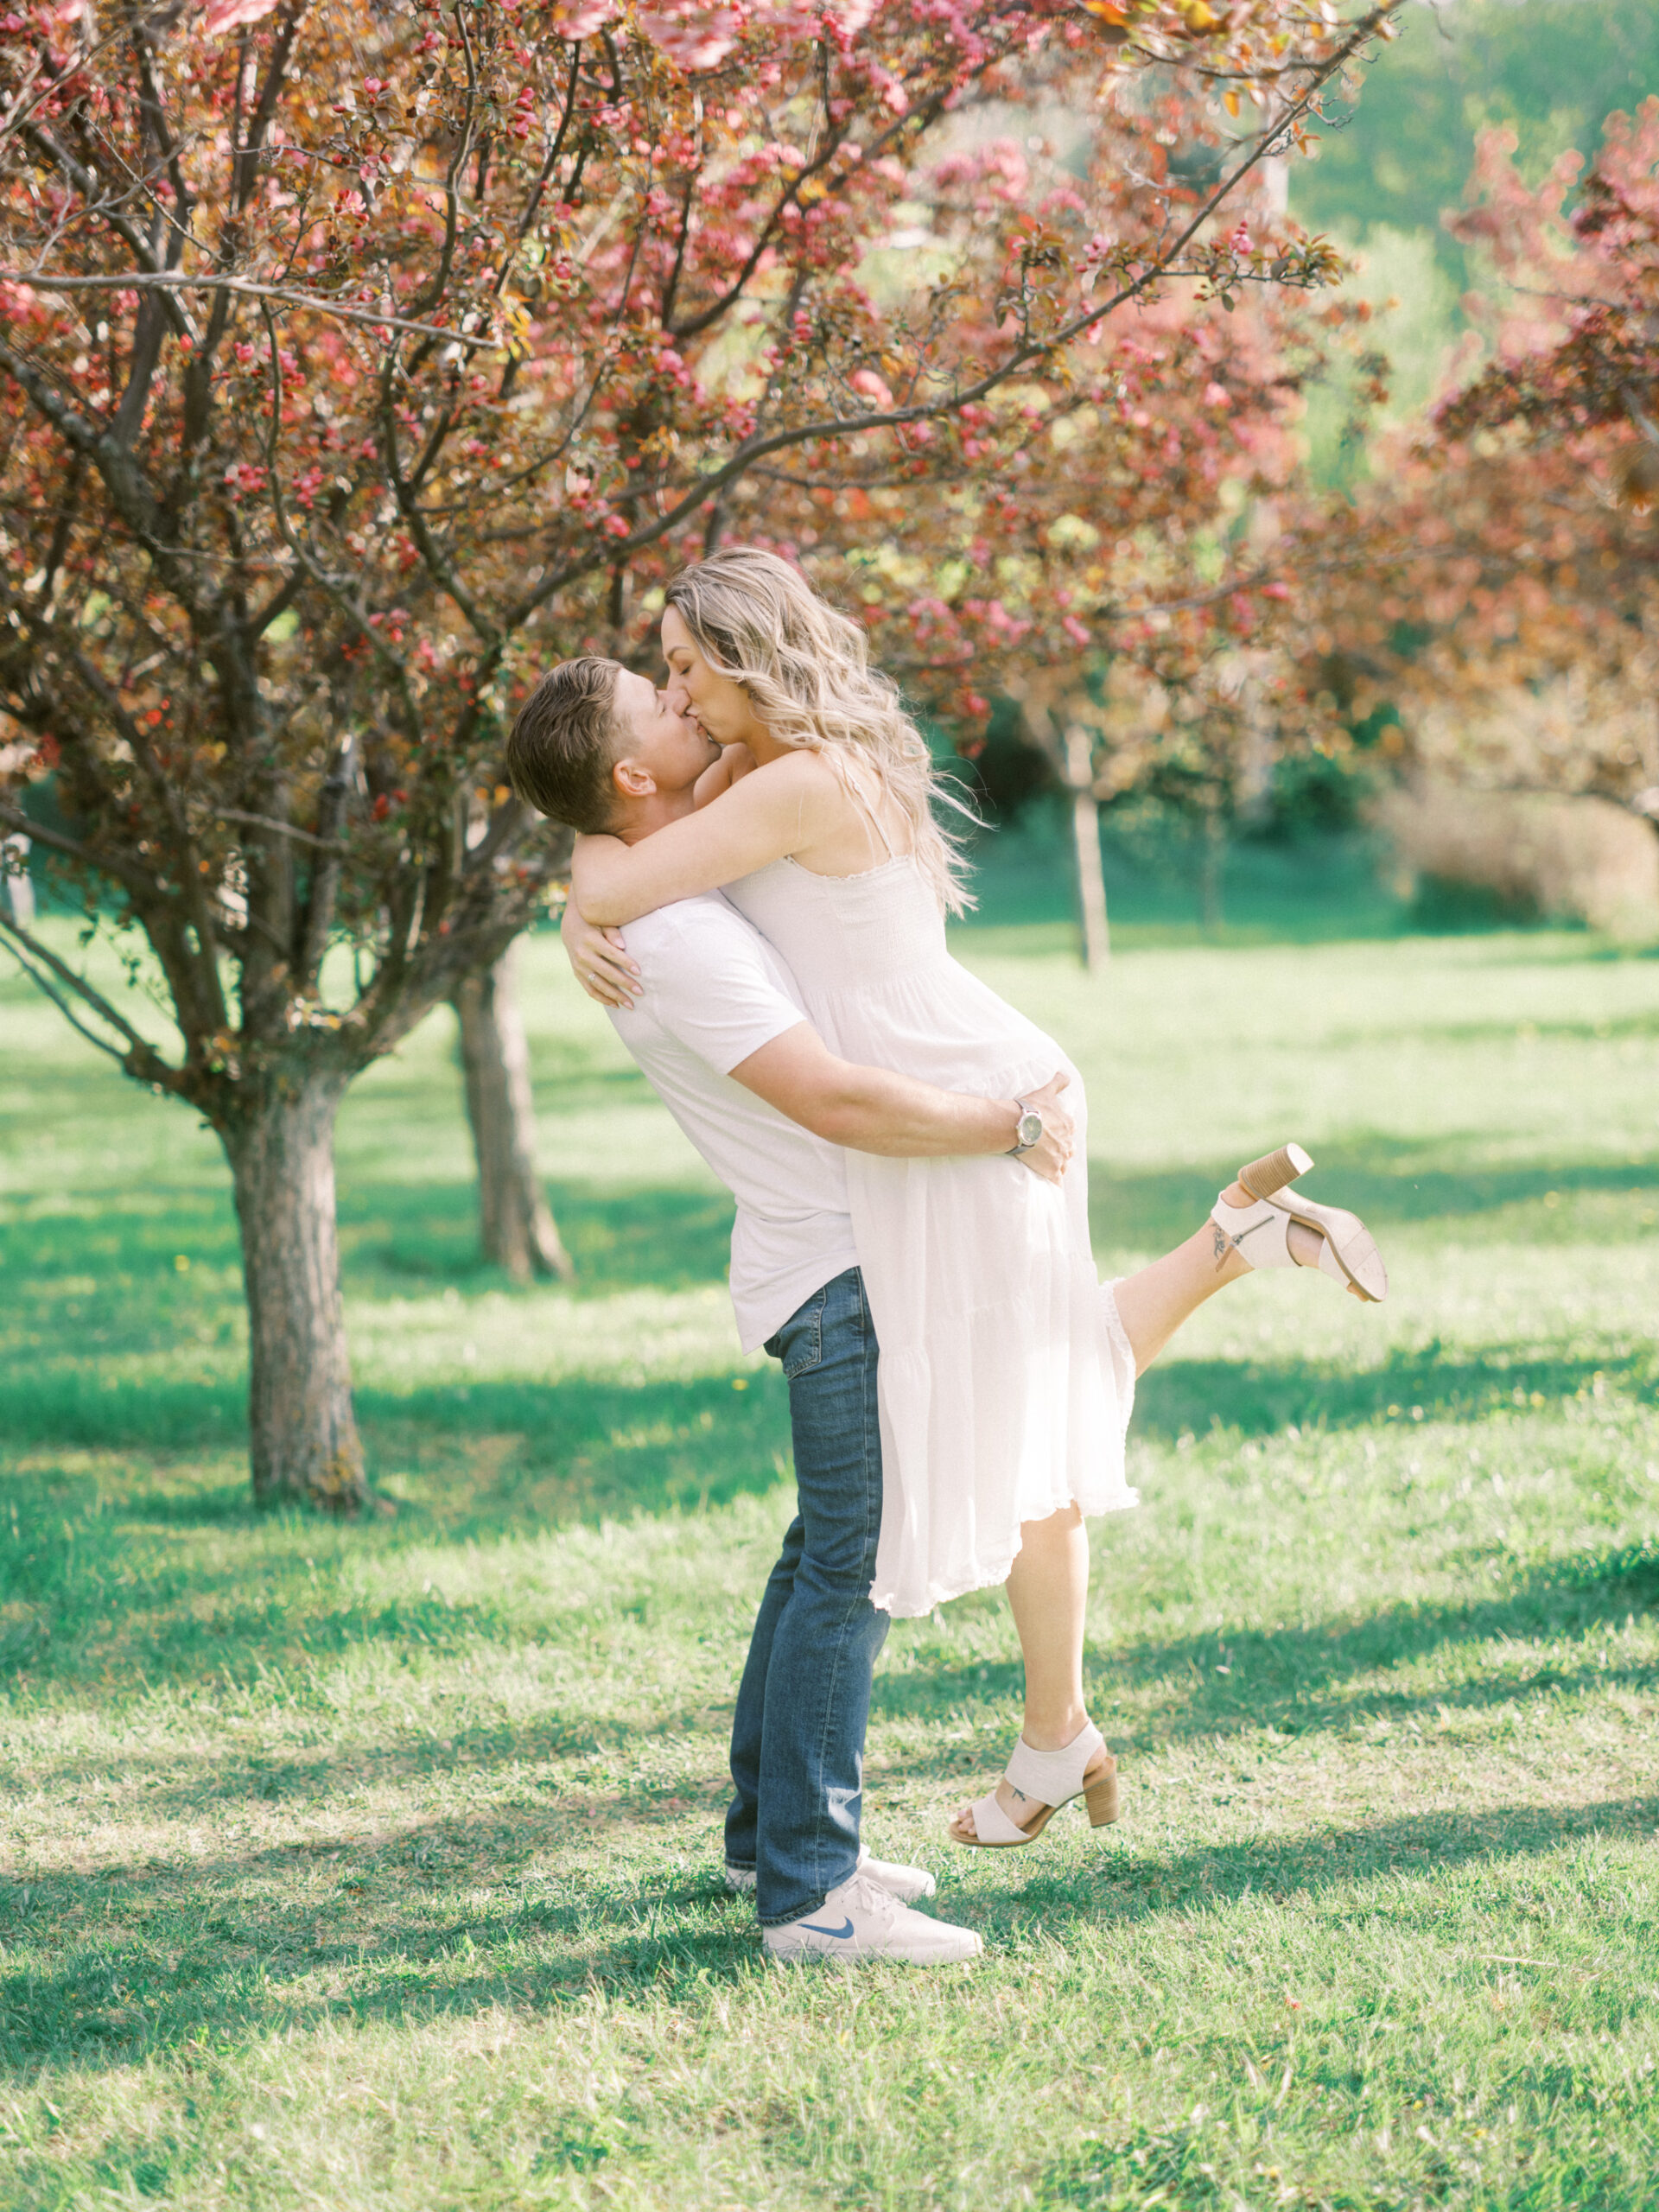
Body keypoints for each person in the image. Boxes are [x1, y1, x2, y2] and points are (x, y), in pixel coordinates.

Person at [513, 556, 1387, 1923]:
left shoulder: (791, 782)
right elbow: (611, 825)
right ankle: (1231, 1248)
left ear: (747, 662)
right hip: (941, 1112)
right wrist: (582, 873)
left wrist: (581, 902)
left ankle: (1036, 1739)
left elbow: (622, 865)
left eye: (686, 665)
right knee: (1017, 1392)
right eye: (663, 678)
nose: (675, 688)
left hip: (975, 1103)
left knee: (1019, 1399)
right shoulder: (766, 771)